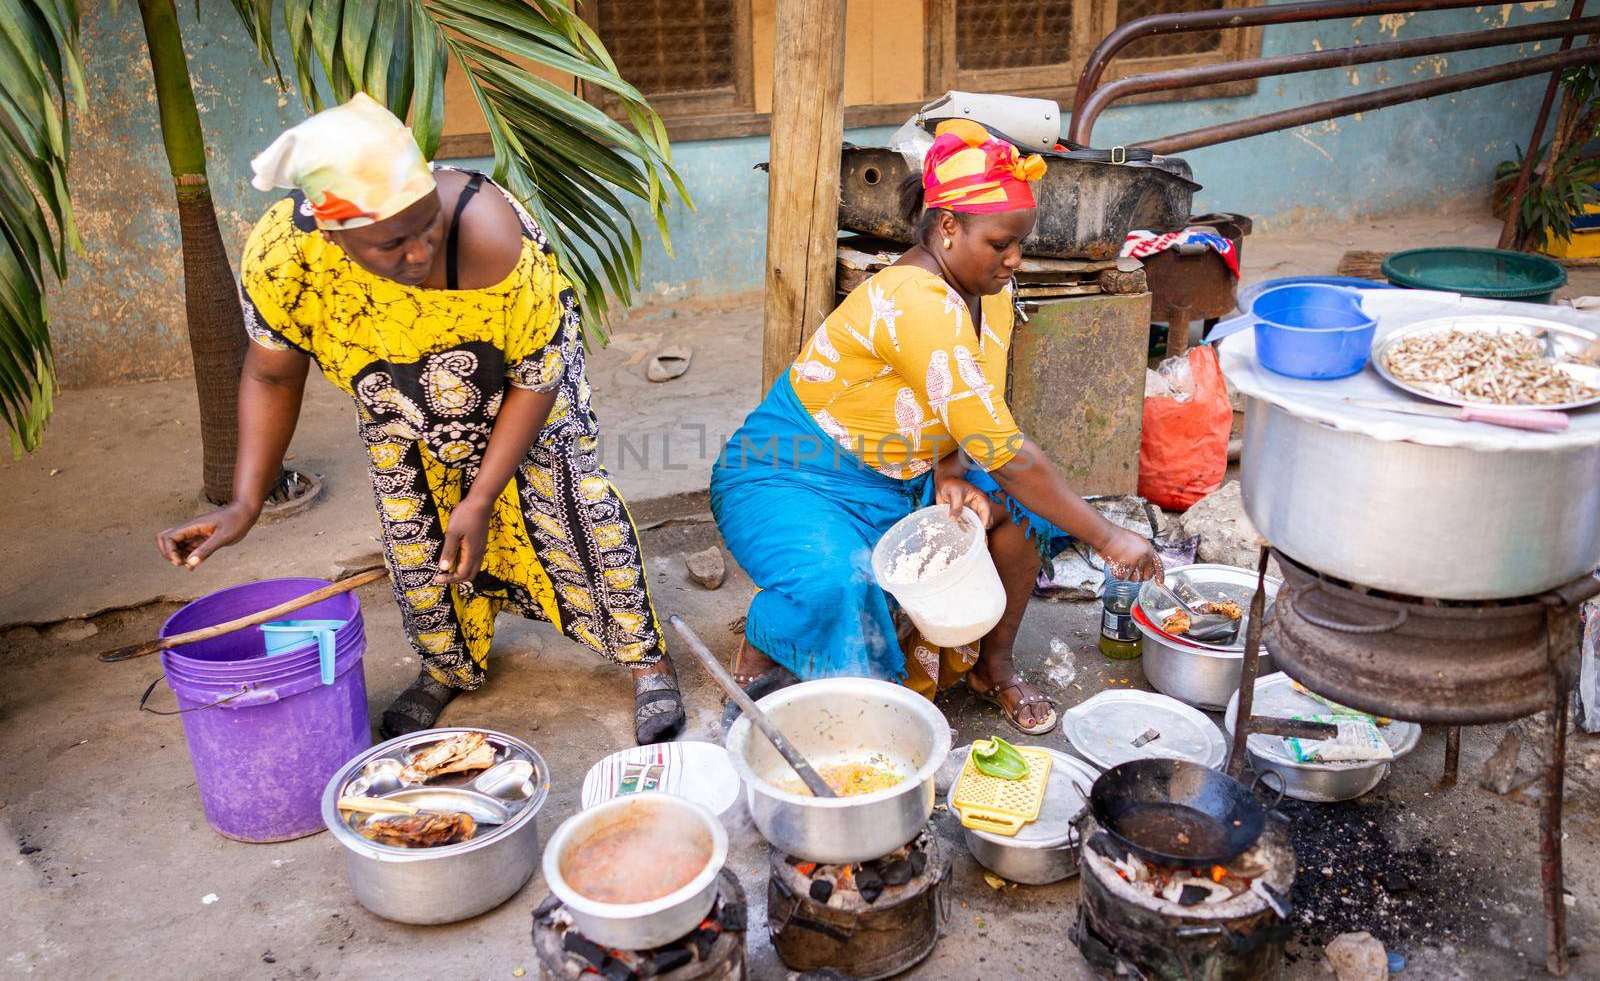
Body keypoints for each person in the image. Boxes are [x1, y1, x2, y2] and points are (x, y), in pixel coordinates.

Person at [156, 94, 684, 744]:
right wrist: (244, 501)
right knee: (420, 542)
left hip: (524, 396)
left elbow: (535, 377)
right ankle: (449, 665)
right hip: (398, 408)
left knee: (575, 514)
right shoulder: (285, 260)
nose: (419, 251)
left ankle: (644, 659)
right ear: (332, 231)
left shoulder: (489, 236)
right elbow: (271, 373)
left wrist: (484, 494)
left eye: (427, 224)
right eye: (392, 242)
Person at [710, 119, 1162, 734]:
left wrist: (949, 469)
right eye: (1002, 242)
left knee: (1020, 517)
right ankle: (772, 636)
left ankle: (992, 670)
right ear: (948, 228)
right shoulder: (913, 302)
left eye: (1019, 243)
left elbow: (963, 404)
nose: (1015, 259)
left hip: (898, 474)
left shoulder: (988, 289)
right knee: (846, 583)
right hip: (784, 476)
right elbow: (1007, 451)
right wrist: (1110, 538)